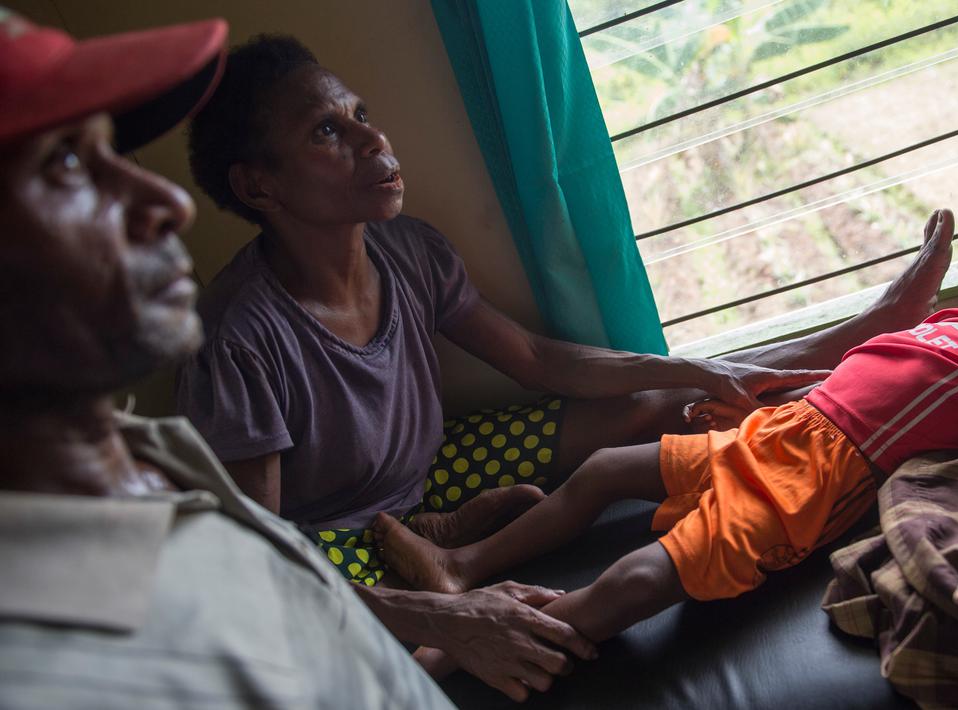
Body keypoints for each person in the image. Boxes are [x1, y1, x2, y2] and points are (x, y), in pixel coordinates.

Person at [175, 34, 951, 591]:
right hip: (334, 534)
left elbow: (540, 361)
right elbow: (264, 554)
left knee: (664, 405)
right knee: (334, 584)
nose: (372, 138)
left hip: (431, 466)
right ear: (258, 188)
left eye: (359, 113)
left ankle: (869, 328)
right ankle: (435, 548)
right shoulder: (239, 337)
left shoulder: (407, 249)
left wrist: (692, 365)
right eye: (326, 132)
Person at [0, 10, 592, 706]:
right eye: (67, 164)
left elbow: (278, 585)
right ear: (259, 187)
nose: (166, 203)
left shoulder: (155, 458)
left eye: (115, 156)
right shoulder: (48, 664)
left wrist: (442, 616)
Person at [372, 215, 958, 675]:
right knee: (600, 472)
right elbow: (876, 370)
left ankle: (461, 658)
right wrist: (788, 395)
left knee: (634, 577)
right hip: (778, 432)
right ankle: (465, 569)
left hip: (811, 482)